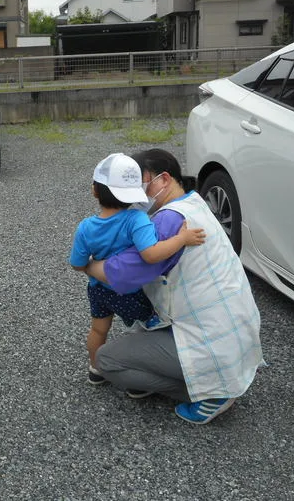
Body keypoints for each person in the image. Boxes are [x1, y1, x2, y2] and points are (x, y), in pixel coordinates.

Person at [85, 148, 263, 425]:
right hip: (234, 333)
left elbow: (124, 274)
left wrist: (87, 266)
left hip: (210, 343)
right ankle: (212, 381)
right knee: (142, 329)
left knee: (108, 361)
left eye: (140, 182)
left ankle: (209, 394)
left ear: (164, 179)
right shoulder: (193, 202)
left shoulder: (168, 220)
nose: (136, 192)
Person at [70, 153, 205, 386]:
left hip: (98, 290)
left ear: (94, 190)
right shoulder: (137, 219)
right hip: (129, 293)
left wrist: (89, 267)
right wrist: (181, 239)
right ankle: (141, 374)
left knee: (98, 329)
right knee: (149, 324)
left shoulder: (85, 227)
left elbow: (77, 263)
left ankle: (95, 368)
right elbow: (152, 254)